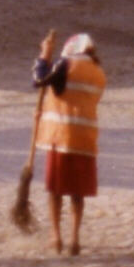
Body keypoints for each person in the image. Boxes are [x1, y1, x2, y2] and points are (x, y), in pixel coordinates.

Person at [33, 31, 106, 255]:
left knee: (56, 190)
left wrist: (44, 55)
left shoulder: (65, 66)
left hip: (61, 136)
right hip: (84, 137)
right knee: (77, 192)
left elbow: (39, 79)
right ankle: (75, 238)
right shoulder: (98, 73)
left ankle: (56, 237)